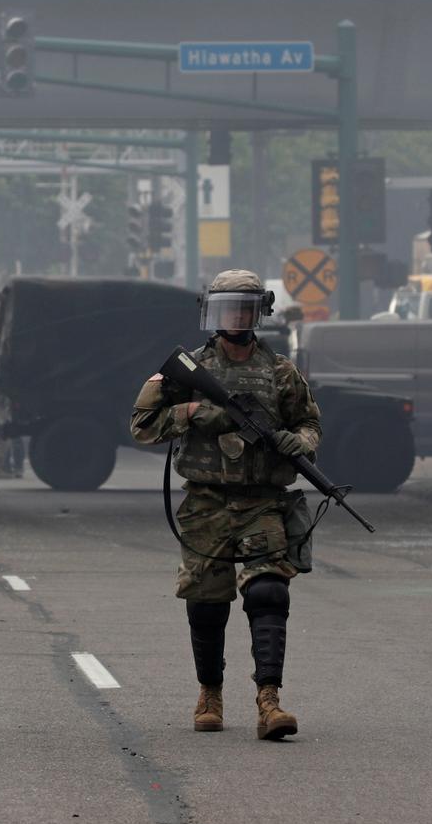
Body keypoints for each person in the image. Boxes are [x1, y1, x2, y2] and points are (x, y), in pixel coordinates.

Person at [130, 269, 321, 741]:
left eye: (244, 308)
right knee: (206, 603)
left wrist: (297, 442)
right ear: (211, 312)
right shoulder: (190, 369)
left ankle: (269, 700)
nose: (236, 317)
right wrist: (193, 411)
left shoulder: (281, 372)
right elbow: (142, 425)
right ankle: (209, 694)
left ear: (260, 312)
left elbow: (311, 424)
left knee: (269, 593)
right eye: (227, 308)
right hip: (207, 502)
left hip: (263, 502)